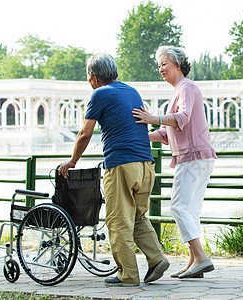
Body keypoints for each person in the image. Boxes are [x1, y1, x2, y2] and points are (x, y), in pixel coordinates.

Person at [58, 53, 169, 287]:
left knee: (118, 221)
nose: (89, 81)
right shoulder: (132, 91)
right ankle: (157, 259)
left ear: (94, 77)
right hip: (146, 165)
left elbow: (85, 133)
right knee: (138, 216)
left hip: (121, 165)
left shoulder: (100, 93)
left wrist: (72, 162)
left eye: (88, 77)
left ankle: (127, 275)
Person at [132, 46, 217, 279]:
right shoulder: (180, 90)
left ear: (177, 65)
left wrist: (153, 118)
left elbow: (183, 117)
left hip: (192, 157)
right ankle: (194, 262)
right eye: (158, 65)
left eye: (164, 64)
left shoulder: (186, 87)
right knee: (190, 210)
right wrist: (139, 134)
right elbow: (166, 133)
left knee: (178, 207)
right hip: (199, 156)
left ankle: (200, 257)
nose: (160, 68)